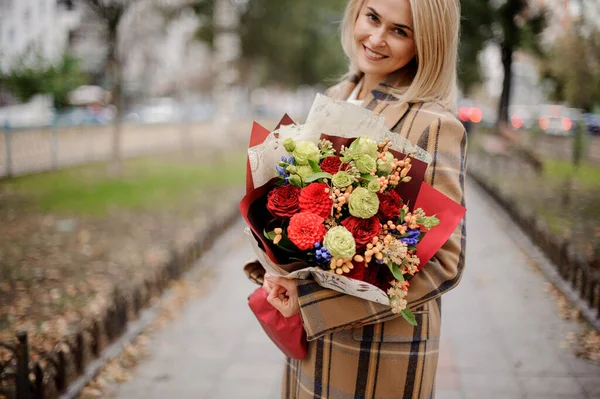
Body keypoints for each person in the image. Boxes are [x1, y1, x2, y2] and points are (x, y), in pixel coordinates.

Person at [247, 0, 467, 397]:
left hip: (378, 353)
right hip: (310, 348)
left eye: (400, 31)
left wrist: (315, 301)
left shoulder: (434, 124)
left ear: (428, 43)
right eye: (373, 18)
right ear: (357, 12)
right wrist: (280, 263)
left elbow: (445, 261)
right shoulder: (336, 94)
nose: (377, 38)